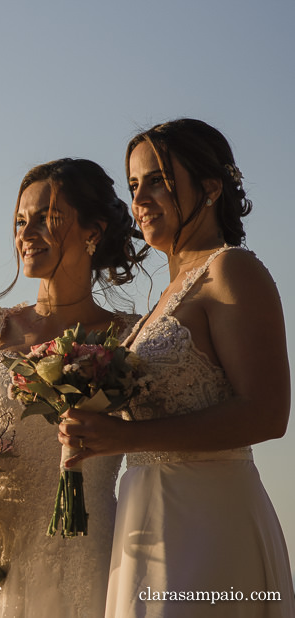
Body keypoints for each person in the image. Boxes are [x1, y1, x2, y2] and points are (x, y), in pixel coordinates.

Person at [59, 118, 295, 617]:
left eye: (158, 181)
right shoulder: (162, 298)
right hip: (143, 516)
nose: (139, 198)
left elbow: (268, 415)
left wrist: (124, 439)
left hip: (208, 518)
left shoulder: (232, 270)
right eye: (134, 185)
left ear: (211, 188)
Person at [0, 158, 144, 617]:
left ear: (94, 231)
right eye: (20, 221)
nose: (26, 234)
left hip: (90, 553)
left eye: (47, 220)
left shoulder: (132, 338)